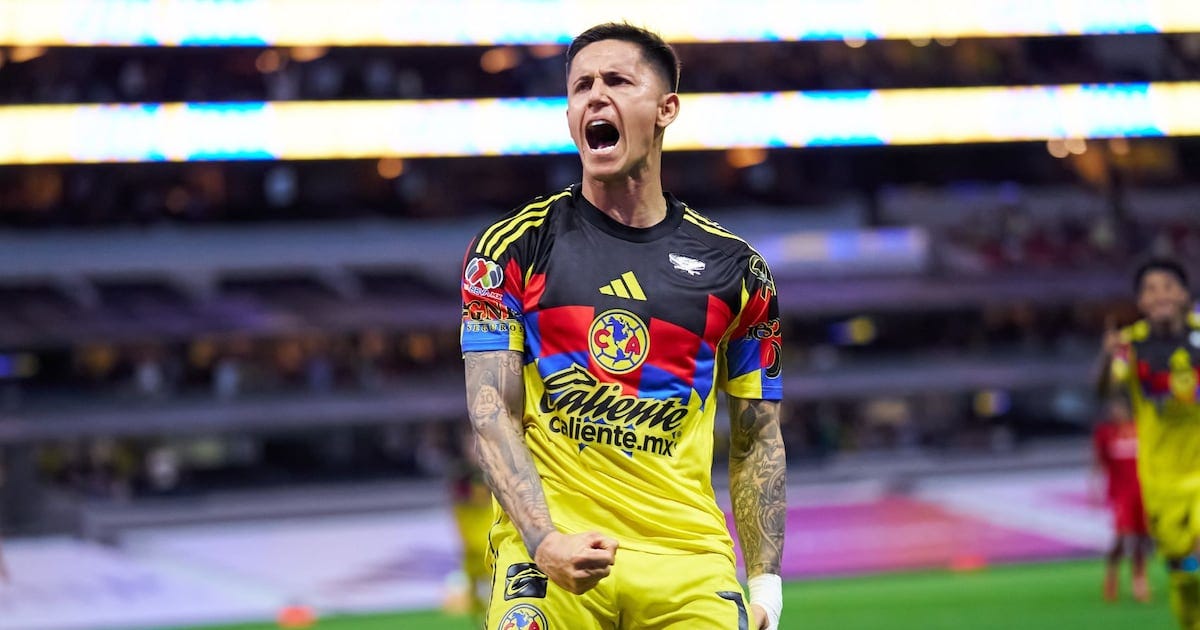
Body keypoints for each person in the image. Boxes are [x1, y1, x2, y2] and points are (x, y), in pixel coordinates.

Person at [460, 22, 786, 630]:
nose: (595, 96)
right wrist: (543, 540)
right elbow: (491, 410)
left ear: (666, 109)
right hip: (554, 554)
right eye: (581, 86)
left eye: (617, 81)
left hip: (688, 564)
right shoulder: (512, 248)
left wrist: (766, 583)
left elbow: (757, 436)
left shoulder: (737, 271)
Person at [1098, 258, 1200, 627]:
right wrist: (1106, 358)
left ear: (1184, 294)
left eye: (1169, 286)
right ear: (1141, 301)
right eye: (1151, 290)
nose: (1161, 295)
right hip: (1161, 479)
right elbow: (1106, 389)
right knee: (1185, 572)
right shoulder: (1130, 345)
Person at [1091, 394, 1150, 602]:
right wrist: (1094, 488)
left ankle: (1139, 579)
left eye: (1118, 408)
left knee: (1142, 537)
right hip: (1120, 493)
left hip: (1143, 491)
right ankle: (1112, 575)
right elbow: (1098, 462)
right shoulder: (1105, 433)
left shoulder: (1140, 428)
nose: (1115, 413)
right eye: (1112, 410)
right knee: (1123, 536)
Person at [446, 424, 494, 622]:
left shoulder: (497, 469)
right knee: (475, 592)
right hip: (471, 543)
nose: (474, 449)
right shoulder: (460, 475)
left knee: (496, 585)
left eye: (477, 443)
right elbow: (458, 507)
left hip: (491, 540)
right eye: (469, 444)